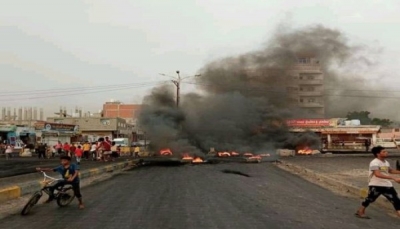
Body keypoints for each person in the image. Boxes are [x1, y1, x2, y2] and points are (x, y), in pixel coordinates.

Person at [355, 146, 400, 219]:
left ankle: (399, 213)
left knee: (395, 199)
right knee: (370, 199)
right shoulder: (374, 163)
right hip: (376, 185)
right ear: (378, 154)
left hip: (387, 184)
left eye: (386, 151)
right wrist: (393, 178)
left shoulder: (386, 162)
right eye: (384, 152)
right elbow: (377, 174)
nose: (386, 153)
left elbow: (390, 171)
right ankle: (360, 211)